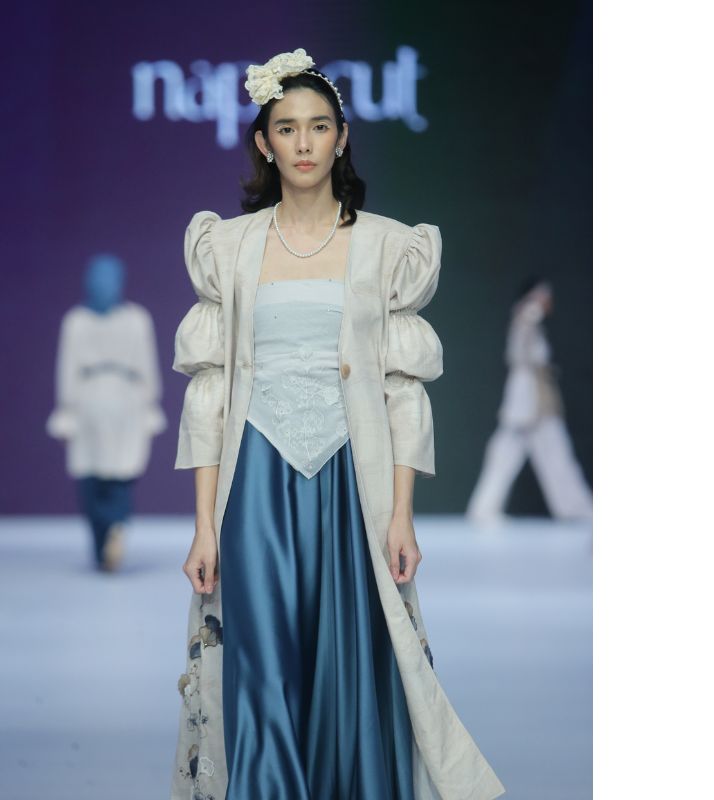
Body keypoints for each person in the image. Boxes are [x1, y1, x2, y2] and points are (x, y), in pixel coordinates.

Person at [169, 49, 504, 800]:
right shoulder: (228, 247)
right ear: (264, 142)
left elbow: (401, 390)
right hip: (256, 480)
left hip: (353, 481)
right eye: (287, 128)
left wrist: (402, 513)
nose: (304, 143)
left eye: (319, 126)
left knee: (351, 666)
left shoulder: (388, 247)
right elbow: (210, 395)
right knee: (262, 666)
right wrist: (203, 526)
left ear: (343, 137)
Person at [46, 253, 166, 572]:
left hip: (128, 403)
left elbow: (147, 365)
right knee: (90, 475)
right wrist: (66, 411)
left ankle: (116, 528)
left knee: (123, 471)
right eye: (97, 277)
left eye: (110, 278)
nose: (103, 284)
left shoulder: (137, 320)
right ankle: (103, 539)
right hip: (88, 403)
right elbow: (67, 368)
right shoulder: (76, 321)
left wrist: (150, 404)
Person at [466, 278, 593, 523]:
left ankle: (574, 507)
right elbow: (520, 348)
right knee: (507, 457)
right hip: (526, 402)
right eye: (543, 295)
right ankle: (483, 510)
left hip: (536, 403)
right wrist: (533, 306)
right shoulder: (527, 316)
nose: (547, 301)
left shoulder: (530, 322)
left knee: (551, 457)